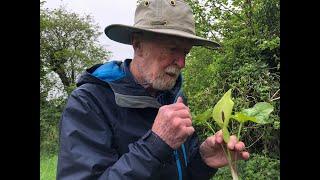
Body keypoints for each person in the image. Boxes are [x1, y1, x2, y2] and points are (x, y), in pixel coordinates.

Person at [56, 0, 249, 179]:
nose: (182, 63)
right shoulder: (90, 102)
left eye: (185, 52)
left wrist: (204, 160)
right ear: (138, 44)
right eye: (172, 48)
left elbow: (182, 173)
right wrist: (155, 145)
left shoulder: (174, 98)